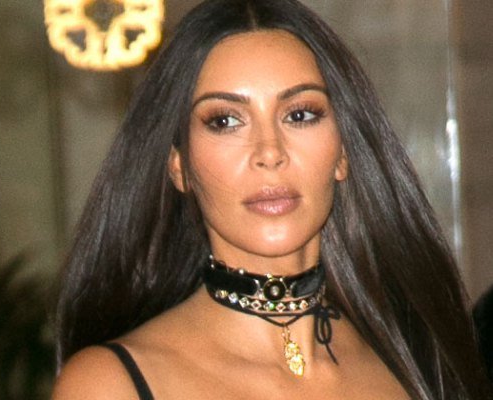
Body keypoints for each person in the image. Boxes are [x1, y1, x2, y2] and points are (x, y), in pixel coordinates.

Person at [51, 0, 492, 399]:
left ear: (342, 153)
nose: (270, 152)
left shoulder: (419, 358)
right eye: (225, 121)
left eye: (299, 114)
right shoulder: (110, 384)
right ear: (179, 166)